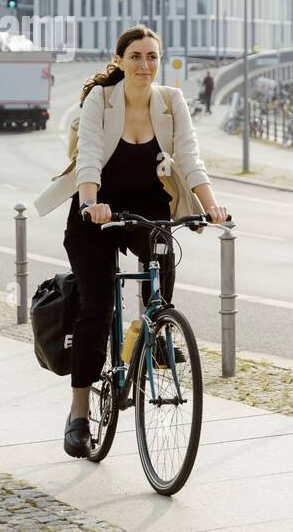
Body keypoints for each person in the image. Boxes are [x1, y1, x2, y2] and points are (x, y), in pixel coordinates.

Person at [31, 25, 230, 459]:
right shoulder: (100, 101)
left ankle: (156, 329)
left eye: (152, 57)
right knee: (96, 308)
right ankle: (79, 414)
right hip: (97, 209)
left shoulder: (171, 101)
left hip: (146, 206)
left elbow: (190, 158)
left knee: (163, 254)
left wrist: (212, 205)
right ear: (120, 60)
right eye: (136, 56)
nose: (145, 65)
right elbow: (88, 156)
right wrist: (89, 203)